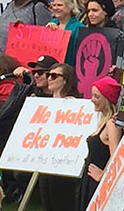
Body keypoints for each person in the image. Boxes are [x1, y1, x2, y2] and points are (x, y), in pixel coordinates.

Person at [38, 63, 81, 211]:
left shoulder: (74, 104)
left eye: (54, 76)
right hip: (45, 159)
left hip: (64, 161)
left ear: (66, 80)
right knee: (47, 200)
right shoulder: (45, 102)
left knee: (61, 202)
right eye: (49, 74)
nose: (49, 78)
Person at [78, 76, 123, 210]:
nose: (92, 100)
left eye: (97, 97)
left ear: (107, 99)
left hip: (97, 184)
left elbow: (116, 156)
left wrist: (103, 175)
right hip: (89, 180)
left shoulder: (111, 124)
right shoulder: (102, 120)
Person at [46, 0, 83, 65]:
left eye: (59, 5)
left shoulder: (79, 28)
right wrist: (46, 31)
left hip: (69, 68)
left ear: (70, 7)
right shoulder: (52, 22)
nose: (55, 8)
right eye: (54, 5)